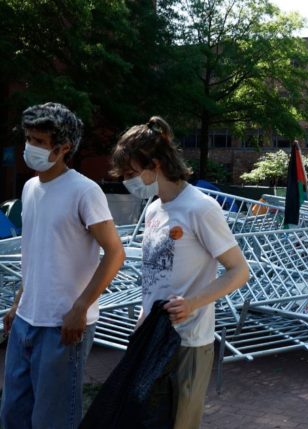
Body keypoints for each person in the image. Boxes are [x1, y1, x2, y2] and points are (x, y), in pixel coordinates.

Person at [111, 116, 250, 428]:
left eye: (132, 173)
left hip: (189, 343)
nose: (128, 181)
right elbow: (154, 276)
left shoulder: (200, 207)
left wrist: (192, 303)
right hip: (150, 340)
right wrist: (141, 323)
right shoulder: (153, 209)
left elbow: (239, 271)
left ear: (156, 164)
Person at [1, 103, 126, 428]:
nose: (30, 146)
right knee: (13, 415)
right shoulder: (29, 188)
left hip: (63, 326)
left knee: (52, 420)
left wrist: (81, 307)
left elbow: (115, 253)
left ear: (63, 148)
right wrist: (17, 302)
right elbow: (37, 254)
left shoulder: (84, 191)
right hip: (26, 320)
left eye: (39, 141)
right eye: (28, 137)